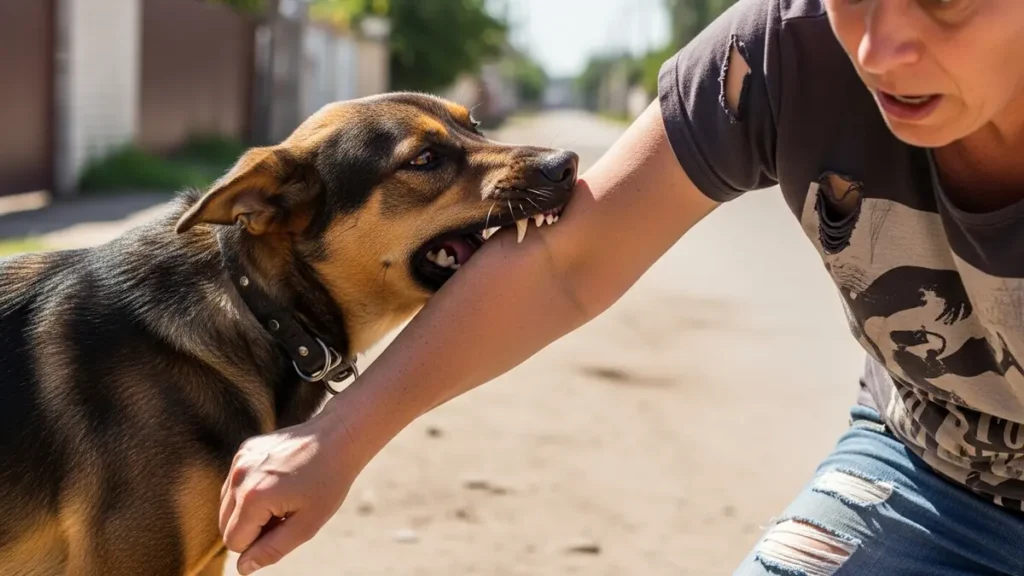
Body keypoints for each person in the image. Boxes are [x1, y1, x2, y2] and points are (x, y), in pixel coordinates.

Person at [219, 0, 1024, 573]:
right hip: (930, 474)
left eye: (944, 1)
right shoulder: (782, 53)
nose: (880, 50)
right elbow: (565, 262)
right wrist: (335, 438)